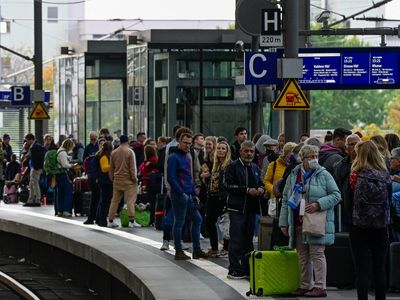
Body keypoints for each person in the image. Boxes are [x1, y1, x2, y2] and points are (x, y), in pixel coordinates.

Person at [279, 144, 340, 297]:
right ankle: (306, 285)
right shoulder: (294, 174)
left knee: (317, 254)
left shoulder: (324, 174)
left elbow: (336, 195)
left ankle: (320, 286)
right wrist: (283, 222)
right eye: (311, 157)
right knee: (302, 255)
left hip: (315, 221)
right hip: (297, 221)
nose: (314, 159)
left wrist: (318, 204)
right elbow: (286, 199)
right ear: (302, 158)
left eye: (316, 156)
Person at [349, 141, 391, 300]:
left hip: (359, 226)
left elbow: (349, 200)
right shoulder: (386, 176)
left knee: (361, 270)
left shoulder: (355, 174)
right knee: (379, 269)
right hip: (381, 226)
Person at [225, 141, 265, 279]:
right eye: (246, 151)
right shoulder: (232, 167)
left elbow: (261, 183)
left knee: (248, 240)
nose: (249, 153)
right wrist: (246, 190)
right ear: (241, 151)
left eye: (252, 151)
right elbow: (228, 186)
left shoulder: (255, 167)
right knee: (236, 239)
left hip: (251, 209)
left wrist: (261, 189)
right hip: (237, 208)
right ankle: (234, 268)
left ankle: (246, 268)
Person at [167, 132, 208, 260]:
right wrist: (182, 192)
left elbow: (188, 177)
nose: (187, 145)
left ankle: (196, 250)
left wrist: (193, 193)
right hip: (180, 194)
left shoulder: (187, 156)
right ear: (179, 141)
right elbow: (171, 177)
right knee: (180, 221)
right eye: (185, 142)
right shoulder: (174, 157)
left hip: (186, 193)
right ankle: (179, 250)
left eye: (189, 143)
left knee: (197, 219)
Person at [107, 135, 141, 228]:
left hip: (117, 180)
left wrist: (112, 178)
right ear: (128, 141)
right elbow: (132, 168)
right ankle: (131, 221)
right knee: (130, 201)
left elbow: (111, 169)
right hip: (129, 181)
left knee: (114, 201)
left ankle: (110, 220)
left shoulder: (114, 152)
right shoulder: (130, 152)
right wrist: (135, 179)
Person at [205, 140, 231, 257]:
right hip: (212, 197)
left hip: (223, 198)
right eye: (219, 148)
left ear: (227, 151)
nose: (220, 150)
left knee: (225, 223)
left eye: (223, 149)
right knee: (209, 222)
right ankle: (214, 247)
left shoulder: (229, 165)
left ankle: (226, 248)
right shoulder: (215, 165)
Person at [333, 134, 361, 232]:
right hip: (345, 207)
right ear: (346, 148)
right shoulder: (340, 165)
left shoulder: (367, 163)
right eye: (351, 144)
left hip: (362, 207)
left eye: (356, 144)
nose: (354, 147)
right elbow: (336, 184)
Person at [56, 139, 77, 216]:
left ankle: (60, 210)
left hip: (59, 174)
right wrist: (72, 165)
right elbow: (65, 165)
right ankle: (66, 210)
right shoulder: (63, 153)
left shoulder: (59, 151)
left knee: (60, 193)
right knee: (68, 192)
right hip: (64, 174)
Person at [24, 133, 45, 207]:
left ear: (31, 139)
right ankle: (30, 200)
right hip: (33, 167)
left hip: (36, 168)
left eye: (27, 140)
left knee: (35, 184)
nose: (26, 142)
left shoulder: (36, 146)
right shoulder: (33, 146)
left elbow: (39, 158)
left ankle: (37, 200)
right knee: (32, 184)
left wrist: (36, 167)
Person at [96, 141, 113, 227]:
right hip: (105, 181)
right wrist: (113, 165)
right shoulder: (104, 157)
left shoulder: (102, 155)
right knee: (105, 201)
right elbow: (104, 169)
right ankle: (102, 220)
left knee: (103, 201)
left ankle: (99, 219)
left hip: (103, 181)